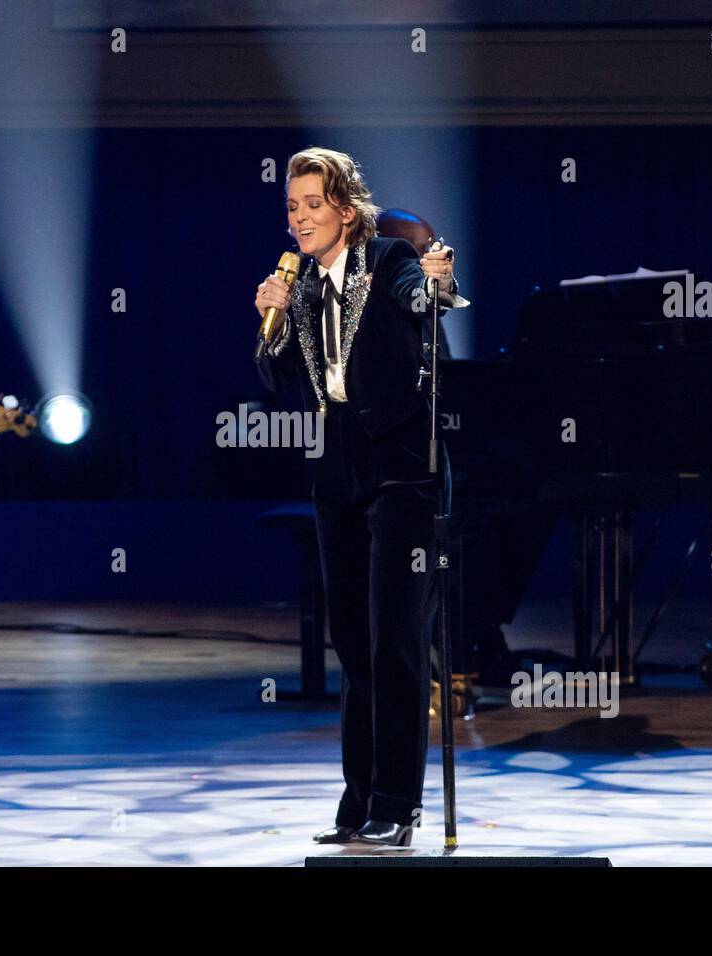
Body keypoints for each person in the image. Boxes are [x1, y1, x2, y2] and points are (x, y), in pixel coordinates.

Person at [253, 147, 467, 847]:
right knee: (353, 641)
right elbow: (276, 377)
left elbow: (422, 300)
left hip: (402, 467)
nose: (300, 219)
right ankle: (358, 804)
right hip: (337, 466)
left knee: (394, 640)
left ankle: (397, 805)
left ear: (346, 210)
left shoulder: (389, 262)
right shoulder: (307, 285)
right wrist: (273, 317)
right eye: (292, 207)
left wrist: (438, 281)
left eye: (313, 205)